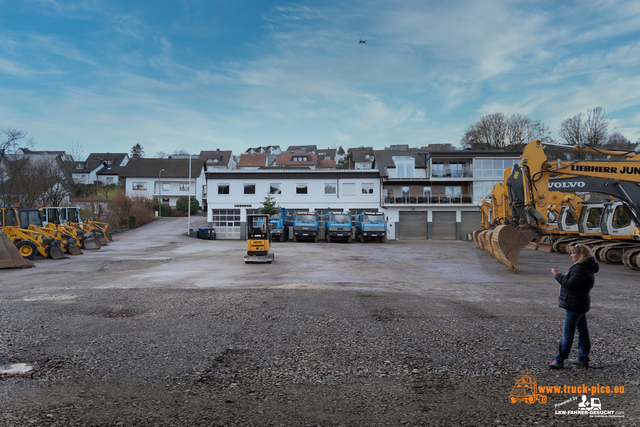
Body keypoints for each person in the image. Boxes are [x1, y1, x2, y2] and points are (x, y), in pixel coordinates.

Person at [549, 244, 599, 369]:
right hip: (580, 303)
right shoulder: (585, 266)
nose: (571, 255)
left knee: (568, 333)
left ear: (580, 255)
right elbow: (574, 282)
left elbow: (571, 285)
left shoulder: (580, 268)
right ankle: (583, 358)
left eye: (573, 253)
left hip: (575, 305)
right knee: (583, 331)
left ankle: (559, 360)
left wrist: (558, 275)